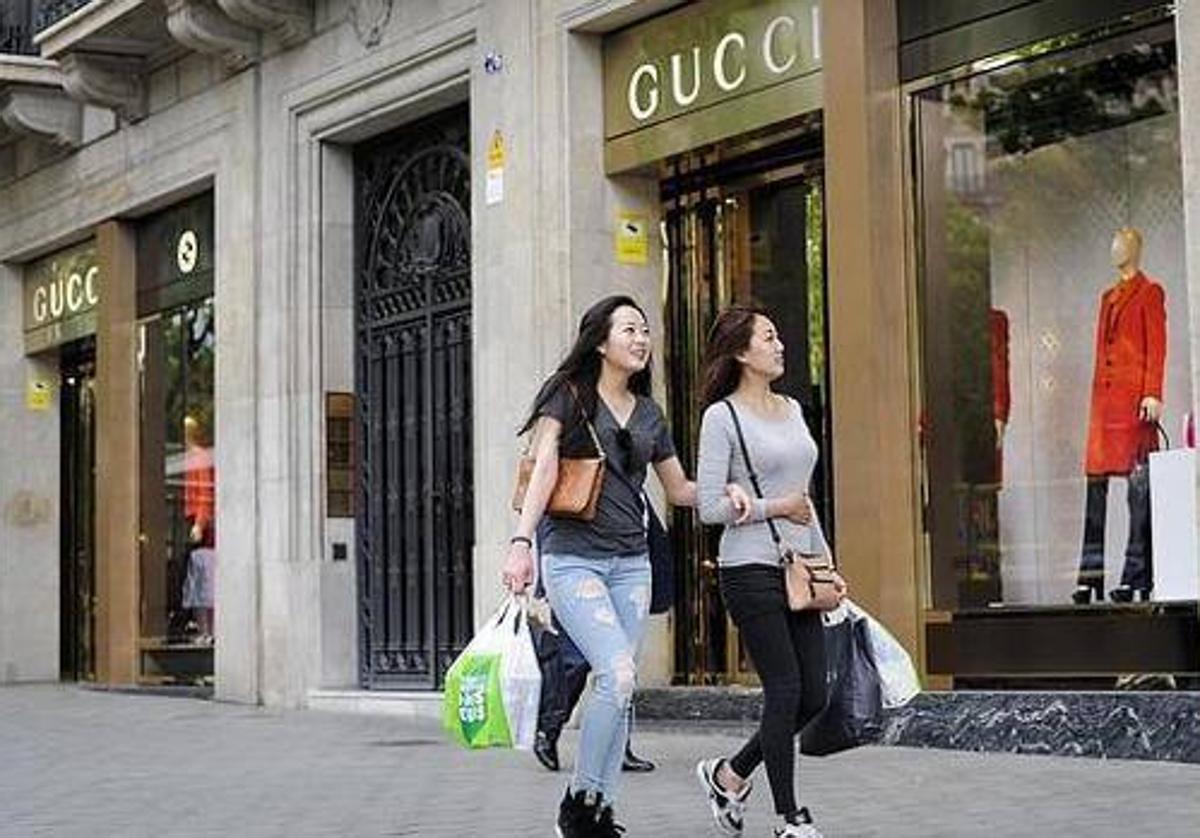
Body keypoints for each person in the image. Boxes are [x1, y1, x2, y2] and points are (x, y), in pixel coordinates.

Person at [502, 295, 748, 837]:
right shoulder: (566, 395)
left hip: (632, 565)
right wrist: (522, 542)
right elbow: (542, 469)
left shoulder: (650, 414)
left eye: (645, 331)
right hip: (572, 561)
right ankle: (579, 803)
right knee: (616, 675)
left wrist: (730, 491)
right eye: (629, 329)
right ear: (599, 341)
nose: (641, 339)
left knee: (621, 687)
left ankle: (602, 809)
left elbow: (680, 489)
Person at [694, 306, 835, 838]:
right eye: (769, 337)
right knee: (785, 689)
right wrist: (770, 507)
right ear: (741, 352)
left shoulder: (794, 409)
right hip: (749, 566)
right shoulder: (721, 418)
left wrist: (827, 567)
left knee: (814, 696)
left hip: (800, 567)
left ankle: (730, 774)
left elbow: (806, 498)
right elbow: (709, 506)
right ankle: (790, 819)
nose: (781, 346)